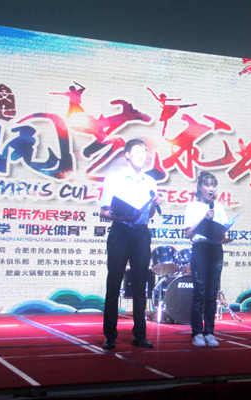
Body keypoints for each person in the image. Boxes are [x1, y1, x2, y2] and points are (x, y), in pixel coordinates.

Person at [99, 139, 161, 350]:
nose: (141, 156)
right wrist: (121, 217)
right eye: (137, 152)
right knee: (114, 284)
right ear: (127, 154)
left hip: (141, 234)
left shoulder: (149, 182)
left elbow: (149, 215)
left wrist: (153, 206)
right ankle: (110, 335)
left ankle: (140, 335)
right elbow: (104, 211)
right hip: (120, 232)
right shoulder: (113, 179)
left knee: (140, 285)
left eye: (144, 153)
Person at [184, 172, 232, 347]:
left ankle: (209, 332)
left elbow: (223, 232)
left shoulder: (218, 207)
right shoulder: (192, 207)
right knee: (200, 292)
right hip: (200, 250)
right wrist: (204, 219)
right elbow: (188, 233)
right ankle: (197, 333)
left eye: (213, 185)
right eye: (207, 185)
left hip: (215, 249)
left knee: (212, 293)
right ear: (200, 187)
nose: (211, 189)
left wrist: (223, 237)